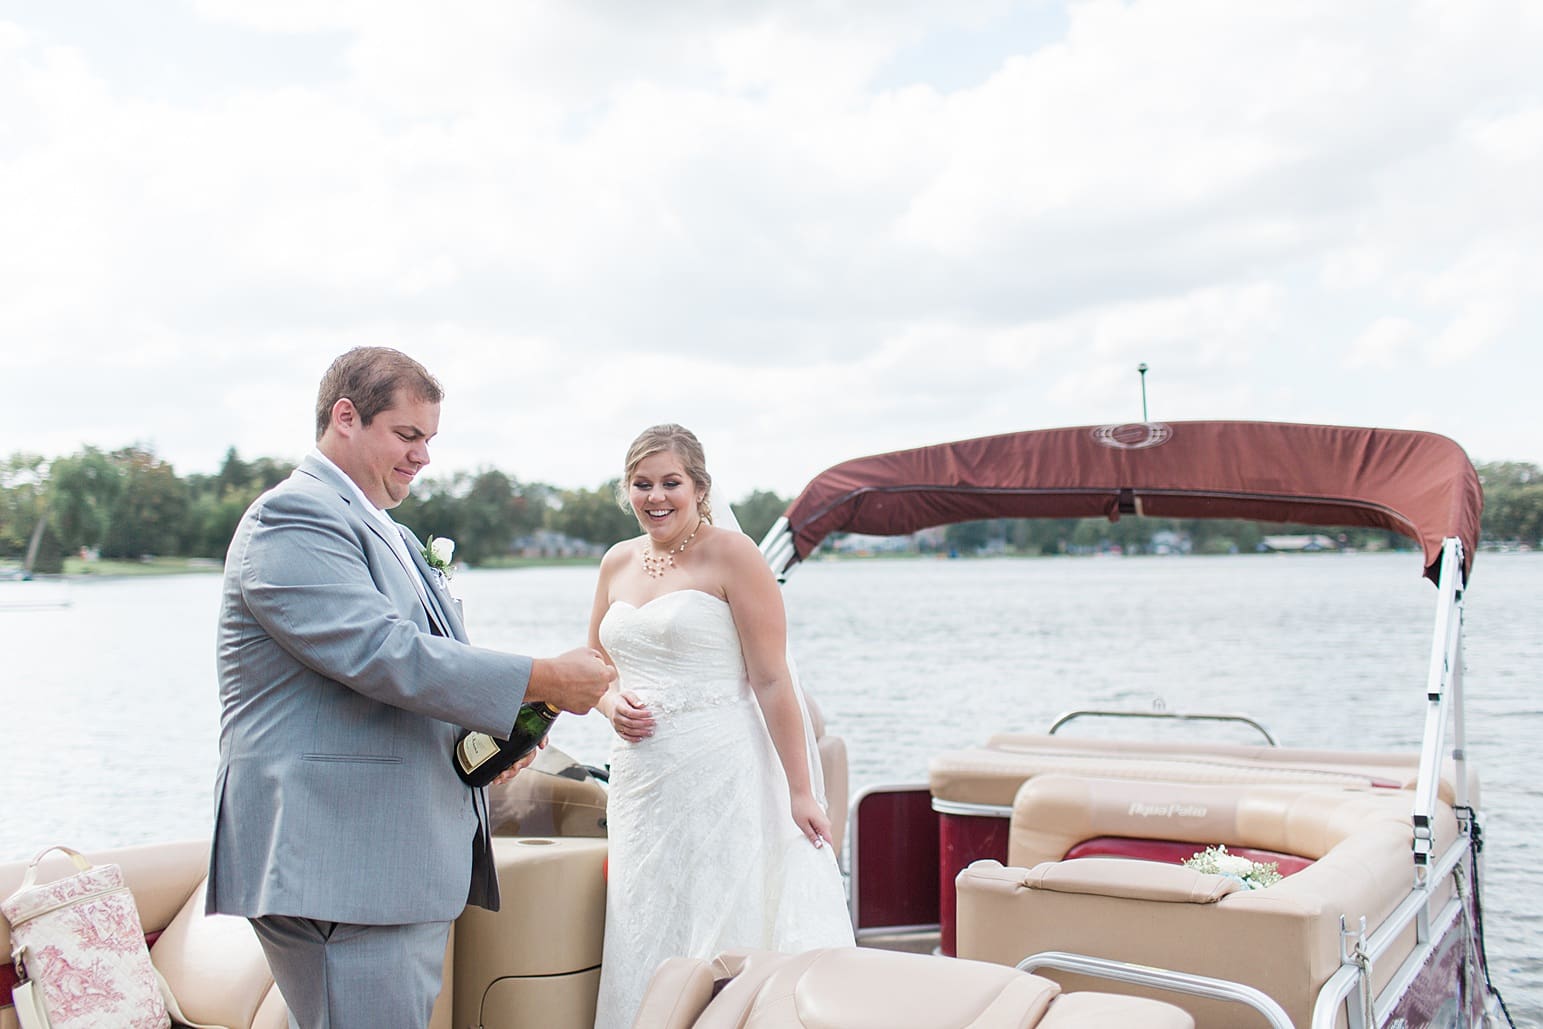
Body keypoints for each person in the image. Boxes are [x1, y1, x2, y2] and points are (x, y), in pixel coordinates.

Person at [207, 346, 615, 1028]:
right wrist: (545, 676)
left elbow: (415, 672)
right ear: (345, 416)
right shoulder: (294, 518)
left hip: (387, 863)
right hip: (341, 865)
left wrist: (485, 744)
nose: (423, 455)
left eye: (429, 438)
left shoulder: (383, 526)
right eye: (407, 434)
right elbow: (382, 653)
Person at [589, 424, 854, 1029]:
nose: (656, 497)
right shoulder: (615, 562)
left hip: (723, 776)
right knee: (647, 919)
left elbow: (771, 681)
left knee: (720, 919)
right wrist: (609, 706)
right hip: (641, 786)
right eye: (642, 484)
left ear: (699, 487)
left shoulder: (735, 556)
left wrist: (800, 792)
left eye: (670, 483)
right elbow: (597, 670)